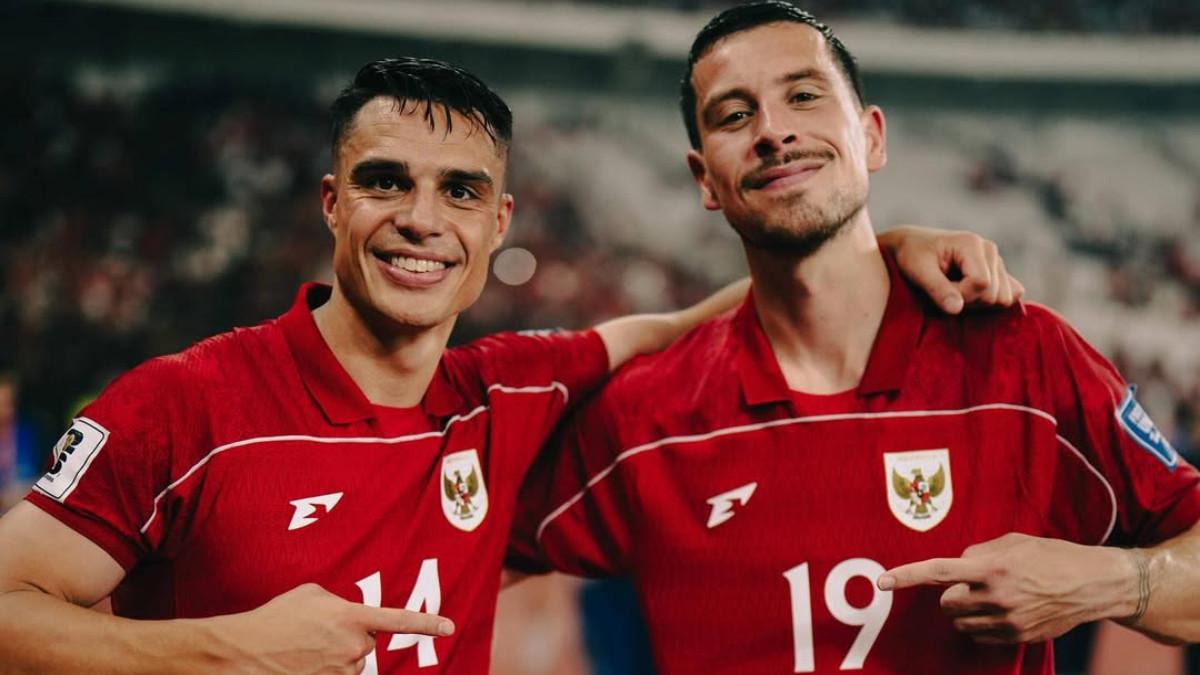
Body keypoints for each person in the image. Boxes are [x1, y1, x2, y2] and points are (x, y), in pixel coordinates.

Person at [0, 56, 1015, 673]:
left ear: (499, 223)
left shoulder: (509, 389)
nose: (422, 220)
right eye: (385, 182)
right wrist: (223, 654)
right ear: (332, 204)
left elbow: (675, 323)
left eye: (461, 191)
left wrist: (881, 245)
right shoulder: (185, 403)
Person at [507, 3, 1200, 674]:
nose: (773, 130)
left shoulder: (1022, 358)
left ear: (871, 136)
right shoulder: (643, 418)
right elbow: (460, 548)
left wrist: (1106, 581)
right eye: (735, 114)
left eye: (804, 96)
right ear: (704, 179)